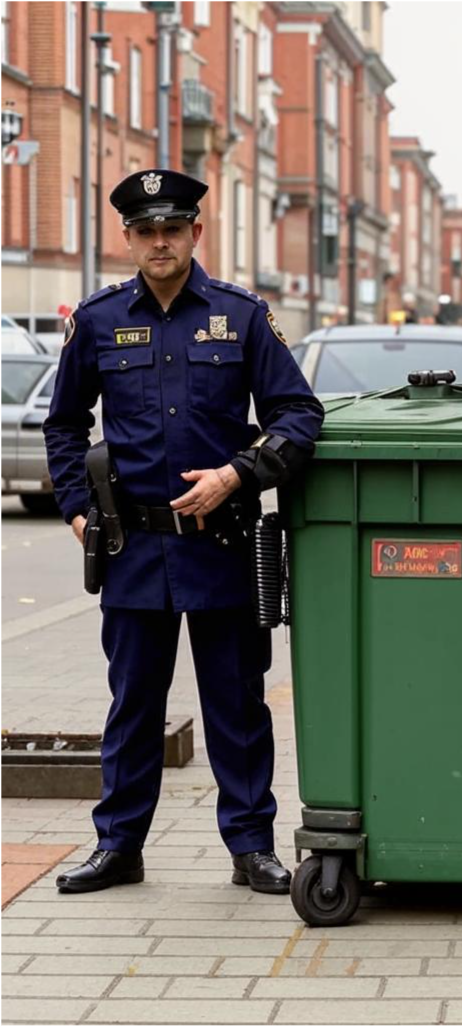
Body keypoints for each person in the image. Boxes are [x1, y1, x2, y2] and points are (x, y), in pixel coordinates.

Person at [43, 169, 324, 895]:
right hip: (133, 549)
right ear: (129, 239)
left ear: (196, 232)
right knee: (133, 703)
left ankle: (251, 847)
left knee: (236, 703)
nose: (159, 241)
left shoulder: (241, 316)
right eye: (145, 231)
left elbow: (299, 414)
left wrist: (238, 474)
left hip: (223, 544)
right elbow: (65, 423)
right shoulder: (101, 321)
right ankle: (118, 846)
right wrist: (76, 507)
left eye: (172, 228)